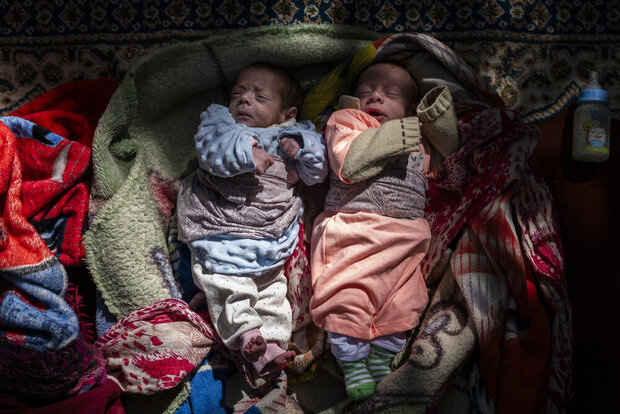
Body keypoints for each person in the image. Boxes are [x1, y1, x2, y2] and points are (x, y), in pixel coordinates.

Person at [309, 61, 459, 400]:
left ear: (409, 108)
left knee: (406, 300)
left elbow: (449, 155)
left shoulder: (422, 142)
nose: (375, 96)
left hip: (405, 238)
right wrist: (399, 132)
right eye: (366, 91)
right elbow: (349, 165)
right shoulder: (348, 121)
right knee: (346, 294)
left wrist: (435, 120)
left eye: (390, 94)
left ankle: (380, 355)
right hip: (353, 229)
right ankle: (351, 361)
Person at [176, 61, 328, 378]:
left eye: (260, 96)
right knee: (226, 284)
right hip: (219, 226)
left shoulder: (298, 132)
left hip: (269, 233)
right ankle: (245, 333)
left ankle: (270, 347)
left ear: (288, 113)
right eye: (239, 93)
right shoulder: (220, 122)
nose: (245, 100)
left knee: (273, 290)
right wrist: (247, 151)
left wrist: (302, 149)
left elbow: (317, 174)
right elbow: (211, 150)